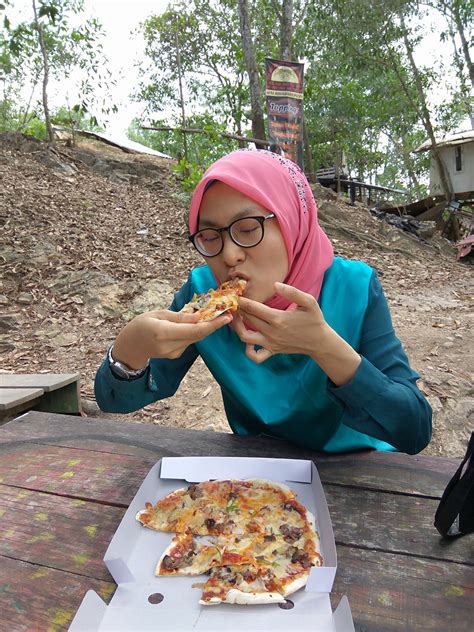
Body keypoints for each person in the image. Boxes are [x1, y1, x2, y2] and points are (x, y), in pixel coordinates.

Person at [94, 149, 432, 454]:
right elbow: (115, 401)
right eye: (210, 237)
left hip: (355, 472)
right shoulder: (204, 293)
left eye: (247, 228)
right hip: (256, 477)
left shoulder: (354, 287)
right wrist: (130, 350)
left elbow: (414, 429)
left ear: (289, 221)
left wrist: (323, 346)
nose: (228, 255)